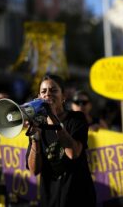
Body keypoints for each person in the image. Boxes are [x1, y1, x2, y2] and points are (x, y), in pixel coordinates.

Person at [25, 74, 96, 207]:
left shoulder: (77, 118)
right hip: (50, 200)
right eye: (44, 91)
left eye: (53, 90)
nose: (48, 95)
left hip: (78, 198)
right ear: (39, 97)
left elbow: (73, 153)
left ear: (63, 97)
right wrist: (35, 138)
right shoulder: (38, 124)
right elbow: (34, 171)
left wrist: (52, 116)